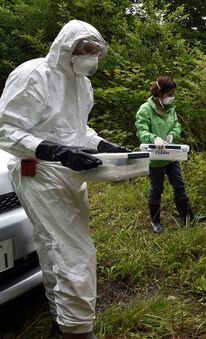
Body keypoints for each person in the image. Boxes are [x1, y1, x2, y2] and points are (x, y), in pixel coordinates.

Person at [0, 20, 129, 338]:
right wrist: (55, 151)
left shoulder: (82, 82)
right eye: (86, 49)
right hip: (39, 171)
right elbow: (7, 129)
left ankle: (62, 320)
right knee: (74, 250)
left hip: (69, 174)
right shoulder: (34, 75)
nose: (91, 57)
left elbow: (78, 130)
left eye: (96, 51)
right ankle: (78, 329)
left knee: (52, 246)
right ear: (66, 47)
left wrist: (103, 146)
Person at [135, 75, 206, 233]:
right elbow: (141, 131)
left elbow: (176, 125)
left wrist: (172, 135)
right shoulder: (145, 110)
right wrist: (154, 138)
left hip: (171, 155)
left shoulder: (170, 109)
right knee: (156, 188)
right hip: (155, 157)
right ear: (160, 93)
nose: (171, 97)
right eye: (169, 94)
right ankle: (156, 223)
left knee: (179, 185)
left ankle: (188, 218)